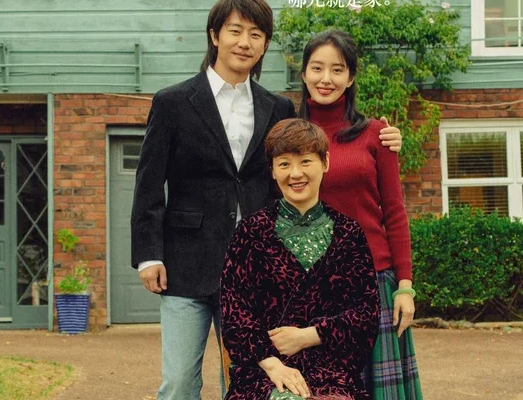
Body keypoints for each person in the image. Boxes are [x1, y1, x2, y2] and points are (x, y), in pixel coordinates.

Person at [130, 1, 402, 399]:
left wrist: (382, 133)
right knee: (179, 381)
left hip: (258, 273)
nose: (245, 42)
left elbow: (312, 147)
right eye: (235, 31)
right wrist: (148, 255)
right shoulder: (172, 102)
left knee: (246, 379)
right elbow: (149, 183)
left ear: (265, 45)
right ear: (215, 35)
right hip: (188, 263)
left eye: (255, 35)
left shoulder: (277, 107)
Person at [299, 30, 423, 400]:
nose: (326, 78)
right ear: (303, 73)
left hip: (373, 282)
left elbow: (395, 213)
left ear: (351, 77)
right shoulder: (289, 136)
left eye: (337, 70)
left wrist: (405, 287)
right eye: (317, 68)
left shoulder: (376, 134)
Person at [221, 118, 380, 400]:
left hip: (332, 371)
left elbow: (366, 315)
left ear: (325, 162)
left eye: (306, 161)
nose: (295, 174)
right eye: (284, 164)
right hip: (263, 370)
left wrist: (308, 336)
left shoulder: (349, 234)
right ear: (272, 170)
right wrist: (272, 365)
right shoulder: (250, 232)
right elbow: (235, 314)